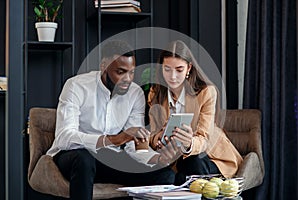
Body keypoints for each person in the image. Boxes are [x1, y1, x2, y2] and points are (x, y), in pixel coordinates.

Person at [46, 40, 175, 200]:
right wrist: (113, 140)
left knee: (165, 174)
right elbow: (64, 137)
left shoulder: (135, 94)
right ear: (104, 66)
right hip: (73, 156)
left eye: (132, 72)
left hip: (110, 160)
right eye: (121, 72)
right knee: (84, 160)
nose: (127, 79)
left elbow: (132, 146)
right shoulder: (76, 86)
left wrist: (156, 158)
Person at [147, 40, 243, 185]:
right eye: (167, 69)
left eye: (179, 70)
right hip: (174, 160)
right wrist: (159, 139)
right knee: (167, 173)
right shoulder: (155, 94)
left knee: (192, 163)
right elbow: (152, 136)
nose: (172, 76)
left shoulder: (206, 92)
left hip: (210, 155)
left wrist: (189, 144)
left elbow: (204, 138)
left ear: (188, 68)